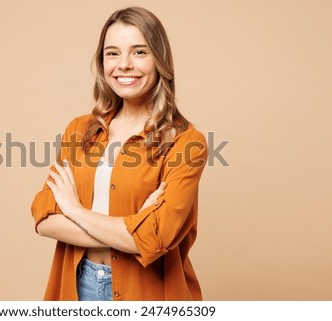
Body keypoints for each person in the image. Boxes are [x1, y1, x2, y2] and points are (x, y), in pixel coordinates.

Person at [31, 6, 208, 301]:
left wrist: (74, 210)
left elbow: (156, 237)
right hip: (79, 285)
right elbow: (44, 217)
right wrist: (133, 228)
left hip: (148, 294)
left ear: (159, 60)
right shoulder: (80, 130)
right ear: (102, 63)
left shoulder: (187, 143)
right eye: (112, 53)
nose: (124, 64)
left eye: (139, 52)